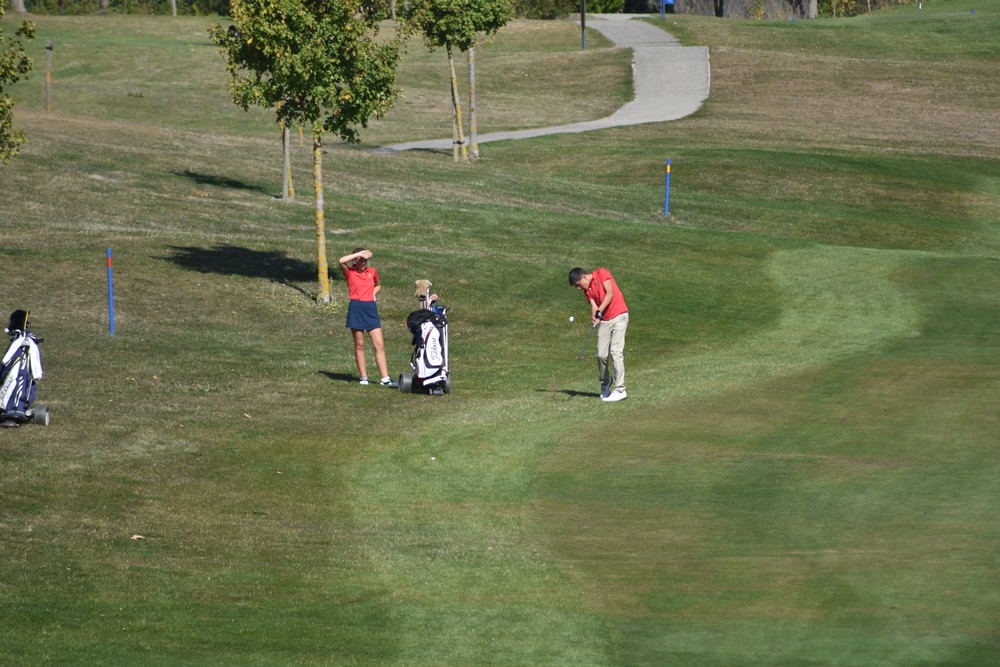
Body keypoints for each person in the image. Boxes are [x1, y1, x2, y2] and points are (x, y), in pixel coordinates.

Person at [338, 248, 398, 387]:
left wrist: (373, 293)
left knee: (379, 344)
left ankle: (385, 378)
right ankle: (363, 377)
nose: (364, 262)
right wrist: (359, 254)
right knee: (360, 345)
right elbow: (341, 261)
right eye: (361, 260)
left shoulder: (372, 272)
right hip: (356, 308)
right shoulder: (350, 272)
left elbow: (378, 285)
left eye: (365, 260)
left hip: (370, 308)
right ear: (355, 260)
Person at [569, 266, 629, 402]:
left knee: (615, 352)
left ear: (584, 277)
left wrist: (599, 310)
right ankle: (605, 381)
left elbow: (610, 294)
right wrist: (595, 314)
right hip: (605, 321)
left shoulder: (601, 273)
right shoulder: (587, 290)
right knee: (601, 354)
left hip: (619, 316)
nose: (579, 288)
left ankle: (620, 389)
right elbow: (593, 305)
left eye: (579, 285)